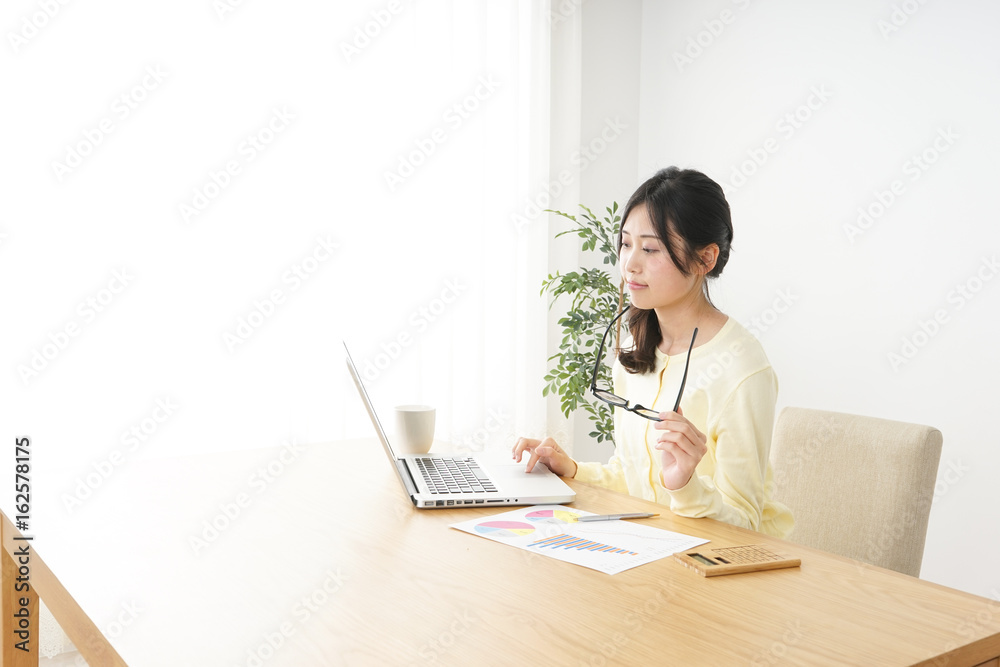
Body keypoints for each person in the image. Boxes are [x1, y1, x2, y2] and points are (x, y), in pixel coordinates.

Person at [512, 167, 793, 538]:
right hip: (650, 546)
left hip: (719, 561)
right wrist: (572, 470)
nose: (630, 264)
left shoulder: (742, 369)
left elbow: (745, 526)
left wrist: (685, 485)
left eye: (650, 249)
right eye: (626, 244)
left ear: (705, 259)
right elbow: (632, 477)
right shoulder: (636, 345)